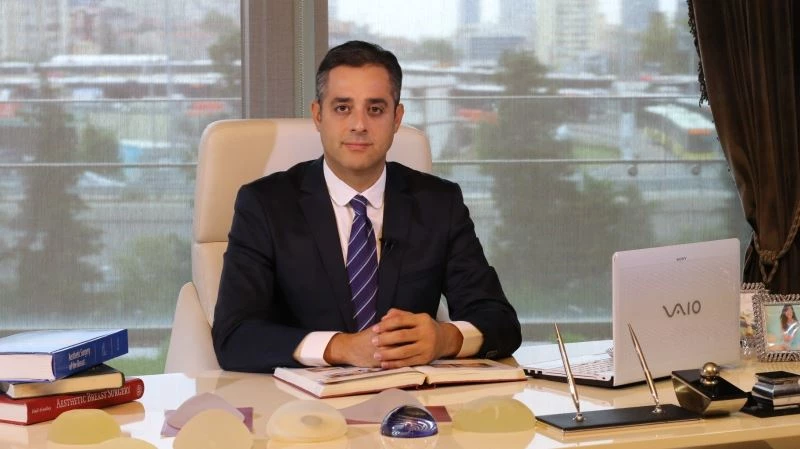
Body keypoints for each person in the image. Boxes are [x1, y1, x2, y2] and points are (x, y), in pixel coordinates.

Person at [211, 40, 521, 373]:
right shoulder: (265, 205)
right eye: (342, 108)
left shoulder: (438, 203)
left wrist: (445, 339)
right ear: (318, 115)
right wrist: (340, 347)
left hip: (410, 399)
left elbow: (501, 321)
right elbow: (234, 336)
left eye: (375, 110)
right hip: (300, 401)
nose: (359, 125)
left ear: (397, 118)